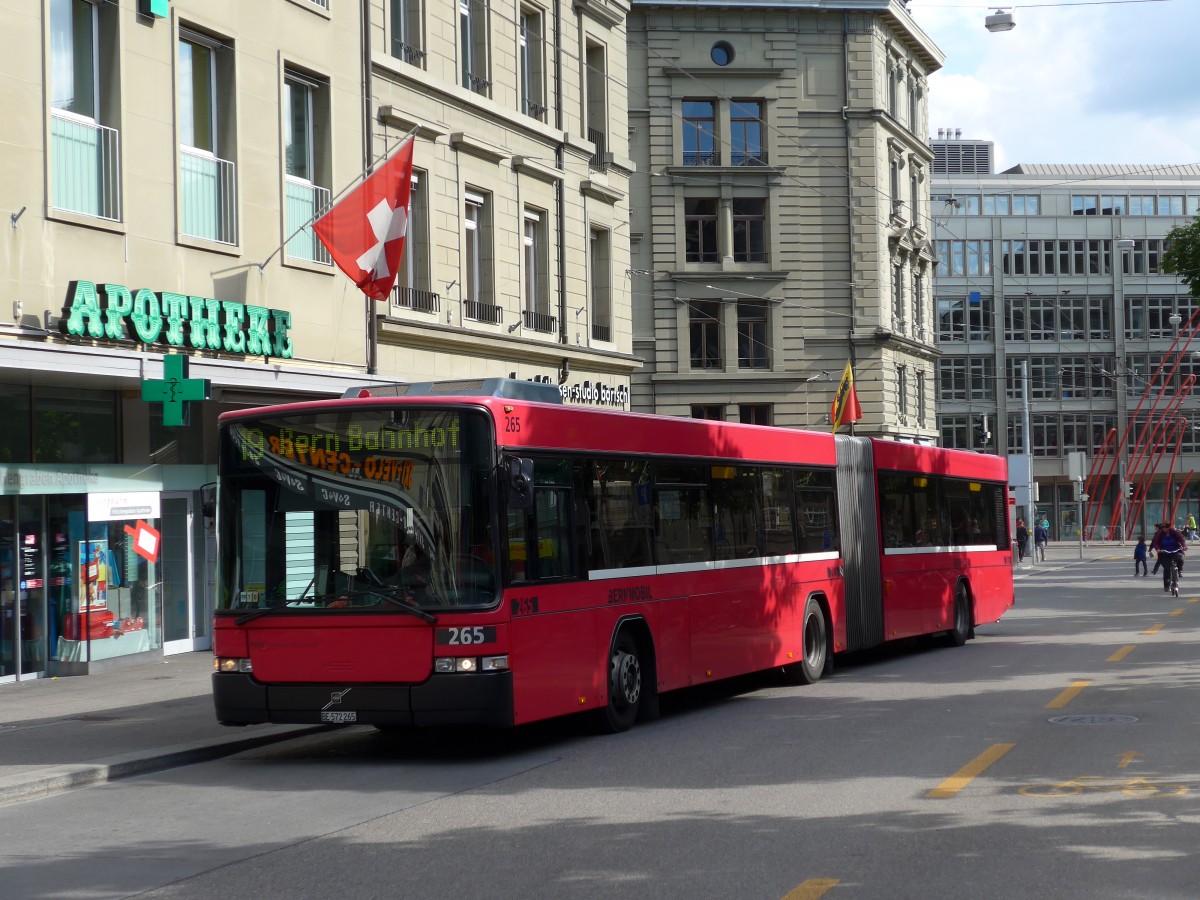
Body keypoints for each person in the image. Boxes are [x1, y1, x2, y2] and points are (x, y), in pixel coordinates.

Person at [1150, 521, 1187, 593]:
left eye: (1166, 527)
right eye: (1163, 527)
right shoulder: (1160, 534)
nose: (1164, 529)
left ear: (1169, 527)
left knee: (1180, 558)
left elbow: (1181, 539)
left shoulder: (1174, 532)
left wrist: (1184, 546)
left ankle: (1180, 571)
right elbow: (1156, 542)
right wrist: (1158, 549)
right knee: (1167, 569)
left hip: (1176, 550)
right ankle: (1167, 585)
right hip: (1164, 552)